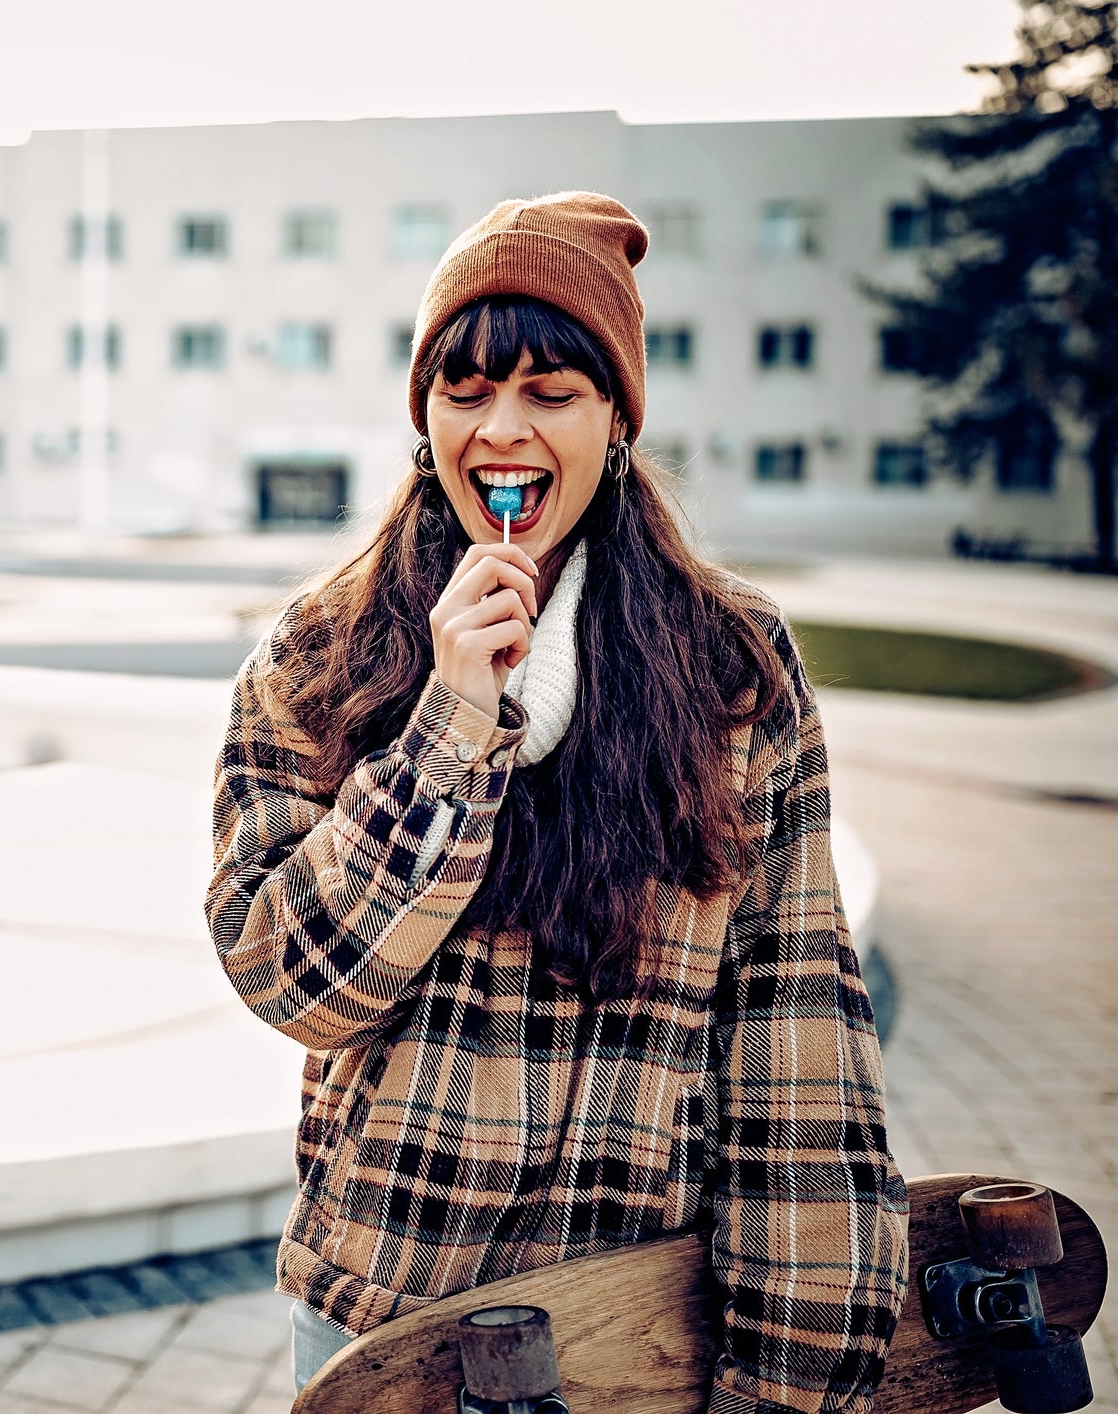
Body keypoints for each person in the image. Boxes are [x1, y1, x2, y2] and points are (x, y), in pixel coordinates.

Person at [205, 192, 909, 1413]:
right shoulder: (320, 651)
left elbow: (795, 1034)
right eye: (466, 391)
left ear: (618, 421)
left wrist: (790, 1376)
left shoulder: (734, 662)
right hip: (385, 1317)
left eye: (551, 391)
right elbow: (294, 986)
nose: (502, 429)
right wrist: (450, 722)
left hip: (641, 1319)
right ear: (424, 418)